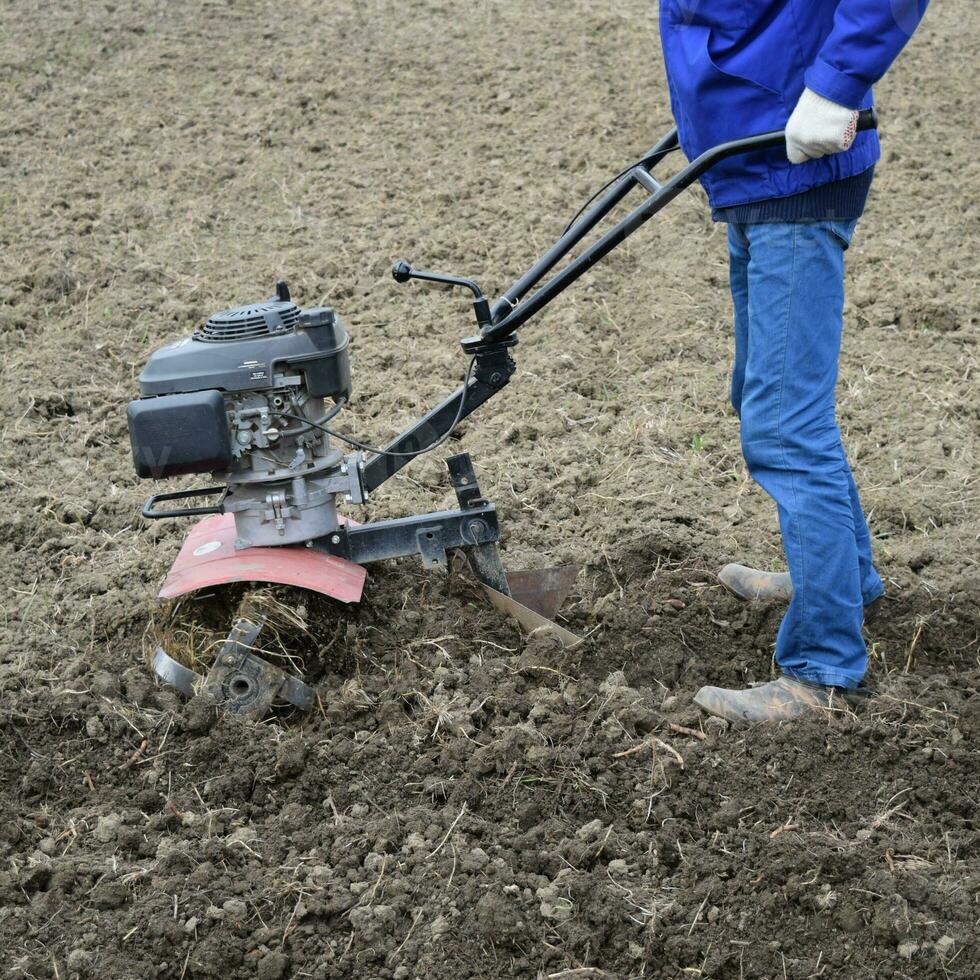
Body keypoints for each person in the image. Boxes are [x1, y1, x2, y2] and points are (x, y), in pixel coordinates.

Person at [657, 1, 930, 722]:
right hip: (753, 147)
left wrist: (839, 82)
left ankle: (824, 667)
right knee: (766, 399)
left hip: (796, 162)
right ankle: (845, 579)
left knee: (784, 425)